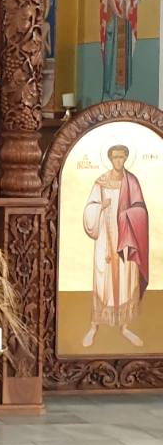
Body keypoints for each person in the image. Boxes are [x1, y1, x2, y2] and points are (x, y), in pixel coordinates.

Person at [82, 143, 149, 349]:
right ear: (110, 159)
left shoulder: (132, 181)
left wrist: (127, 214)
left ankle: (124, 326)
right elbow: (89, 208)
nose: (118, 161)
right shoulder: (101, 182)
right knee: (102, 280)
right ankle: (94, 326)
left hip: (126, 238)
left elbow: (141, 209)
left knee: (125, 281)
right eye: (115, 157)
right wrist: (99, 207)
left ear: (126, 159)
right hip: (104, 236)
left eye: (122, 157)